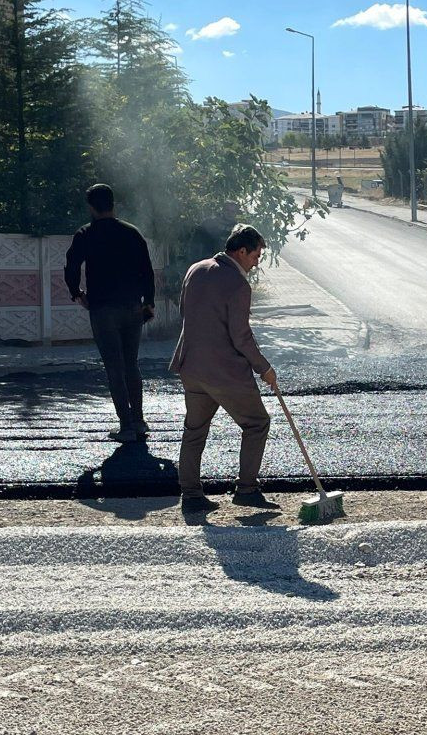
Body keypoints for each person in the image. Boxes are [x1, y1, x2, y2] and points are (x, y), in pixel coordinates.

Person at [169, 223, 279, 515]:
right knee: (257, 423)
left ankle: (191, 496)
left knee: (194, 430)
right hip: (224, 371)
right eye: (256, 255)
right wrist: (264, 368)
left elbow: (185, 312)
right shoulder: (238, 283)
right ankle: (246, 490)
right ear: (242, 251)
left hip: (191, 366)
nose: (257, 262)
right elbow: (241, 336)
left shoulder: (196, 269)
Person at [64, 183, 156, 443]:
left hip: (103, 309)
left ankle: (125, 426)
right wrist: (148, 302)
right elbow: (146, 271)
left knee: (114, 367)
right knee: (131, 364)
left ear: (91, 207)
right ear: (113, 204)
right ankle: (139, 421)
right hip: (132, 307)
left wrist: (77, 293)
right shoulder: (132, 233)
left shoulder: (85, 234)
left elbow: (71, 266)